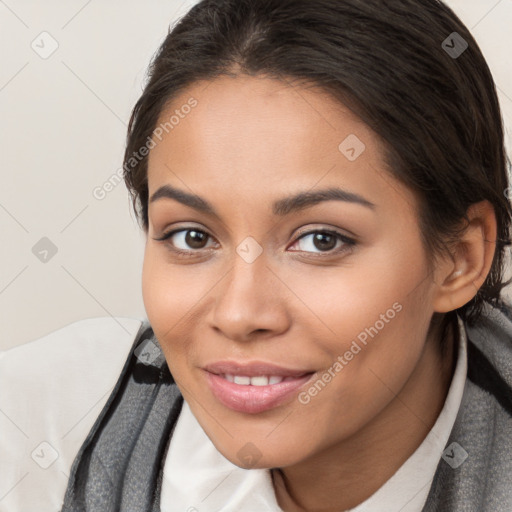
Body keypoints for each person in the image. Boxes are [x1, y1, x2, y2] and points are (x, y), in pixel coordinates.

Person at [1, 0, 512, 510]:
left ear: (460, 258)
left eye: (321, 240)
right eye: (192, 237)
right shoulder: (41, 431)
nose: (240, 314)